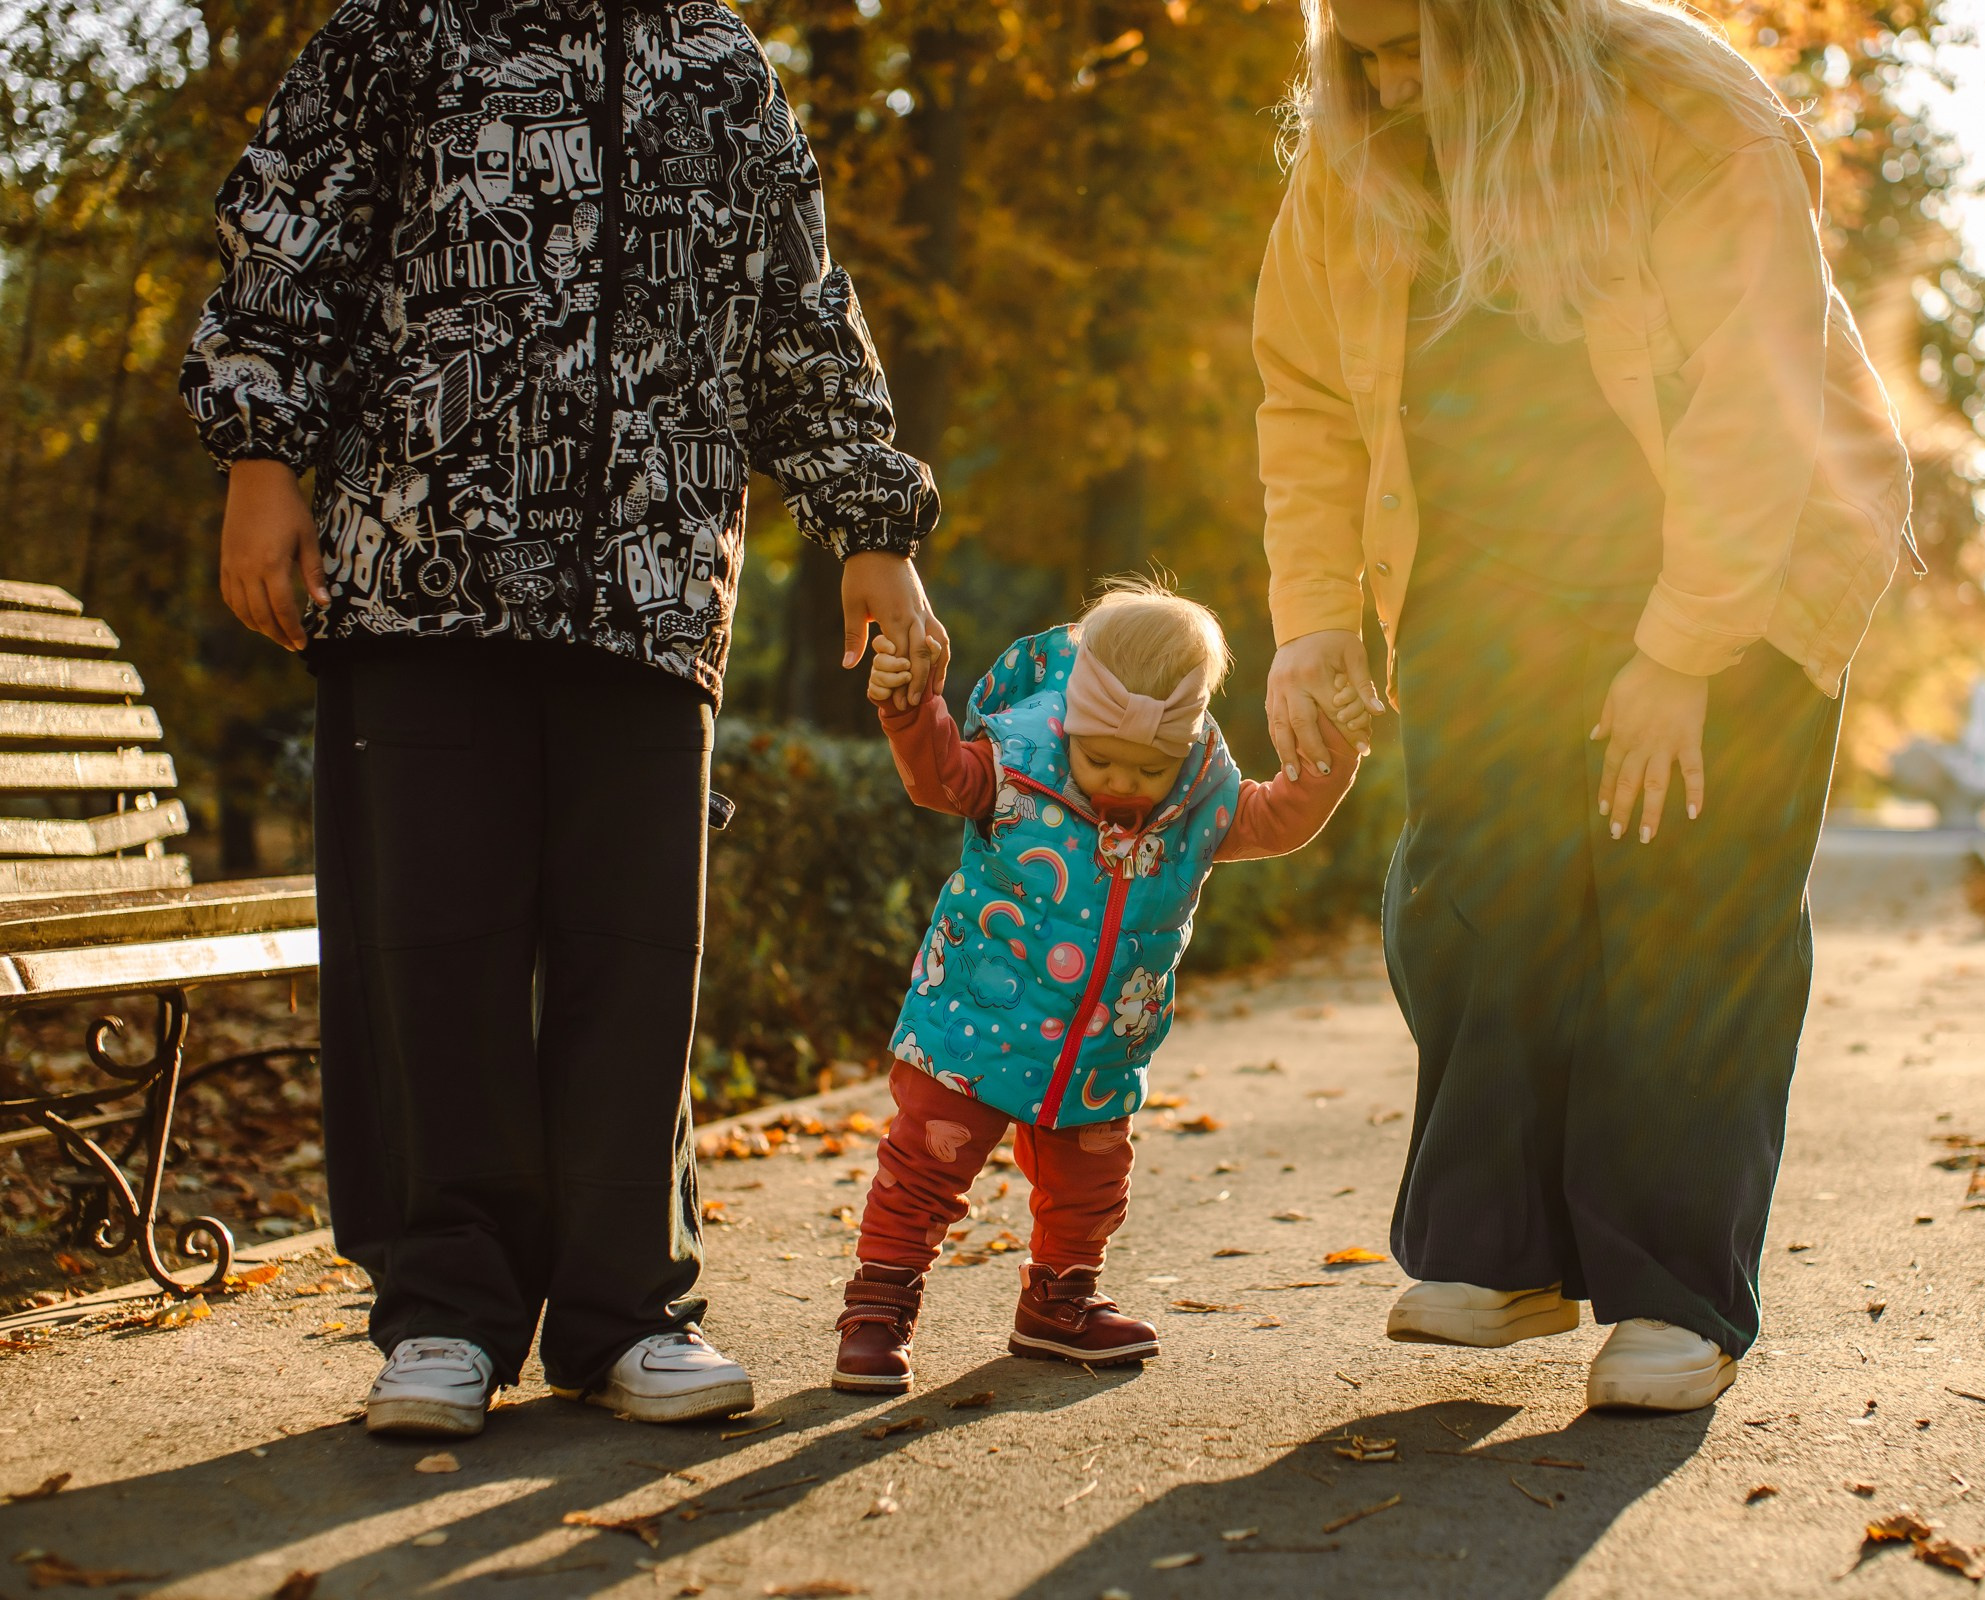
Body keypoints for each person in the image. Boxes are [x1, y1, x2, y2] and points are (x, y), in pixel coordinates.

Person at [181, 0, 943, 1439]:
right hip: (418, 569)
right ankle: (442, 1312)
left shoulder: (718, 65)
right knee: (434, 956)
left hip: (651, 589)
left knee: (633, 956)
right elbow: (293, 225)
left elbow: (797, 304)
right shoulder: (398, 31)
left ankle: (626, 1309)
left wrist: (870, 527)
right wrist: (260, 451)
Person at [1253, 0, 1915, 1410]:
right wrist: (1314, 620)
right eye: (1353, 56)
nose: (1380, 85)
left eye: (1406, 50)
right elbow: (1304, 391)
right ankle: (1500, 1258)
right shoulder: (1359, 141)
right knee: (1476, 889)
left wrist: (1683, 651)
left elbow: (1755, 400)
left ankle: (1678, 1298)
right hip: (1487, 574)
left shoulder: (1691, 115)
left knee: (1683, 904)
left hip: (1743, 545)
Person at [830, 582, 1358, 1392]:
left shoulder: (1200, 798)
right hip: (973, 1022)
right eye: (1101, 756)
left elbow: (1276, 819)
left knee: (1091, 1186)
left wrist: (1330, 759)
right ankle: (879, 1305)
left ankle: (1060, 1298)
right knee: (923, 1170)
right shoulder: (1016, 762)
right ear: (1070, 722)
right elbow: (939, 776)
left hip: (1100, 1049)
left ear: (1184, 747)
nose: (1123, 780)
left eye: (1149, 765)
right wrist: (910, 711)